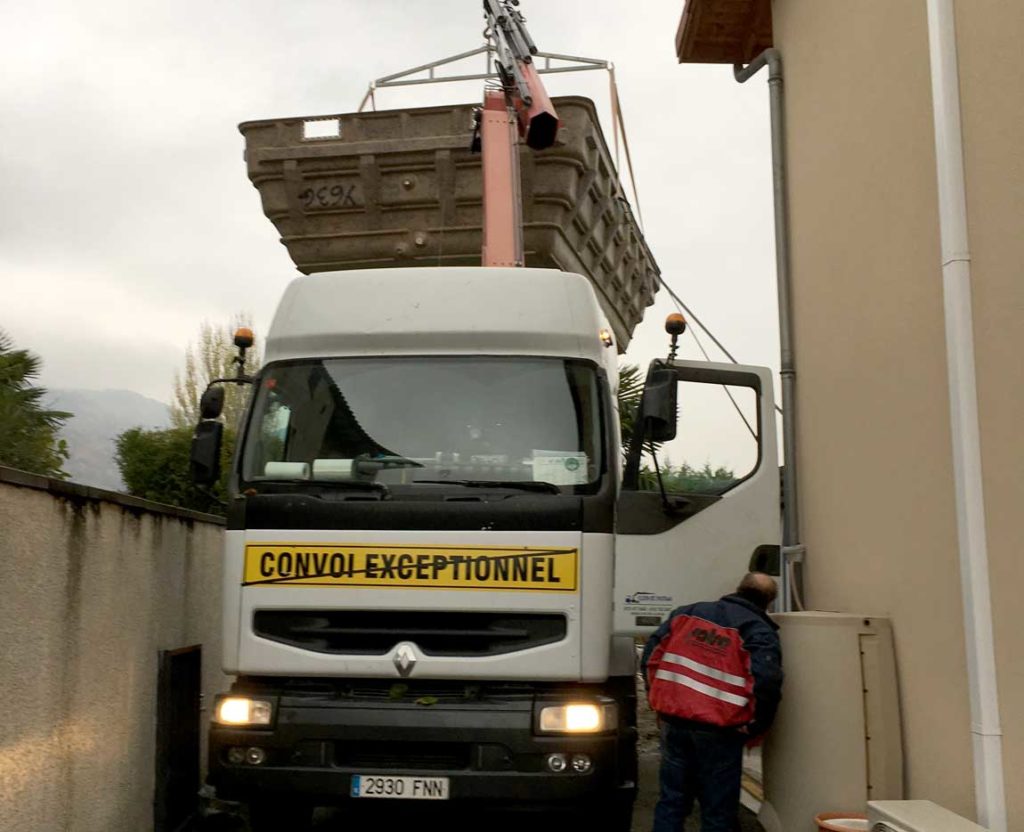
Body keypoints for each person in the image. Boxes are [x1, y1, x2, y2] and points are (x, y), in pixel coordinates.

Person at [641, 572, 783, 832]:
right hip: (720, 732)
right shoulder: (757, 630)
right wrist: (755, 725)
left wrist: (658, 701)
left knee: (672, 801)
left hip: (675, 724)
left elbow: (651, 656)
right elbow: (766, 682)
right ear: (769, 602)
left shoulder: (688, 613)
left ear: (738, 588)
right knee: (717, 810)